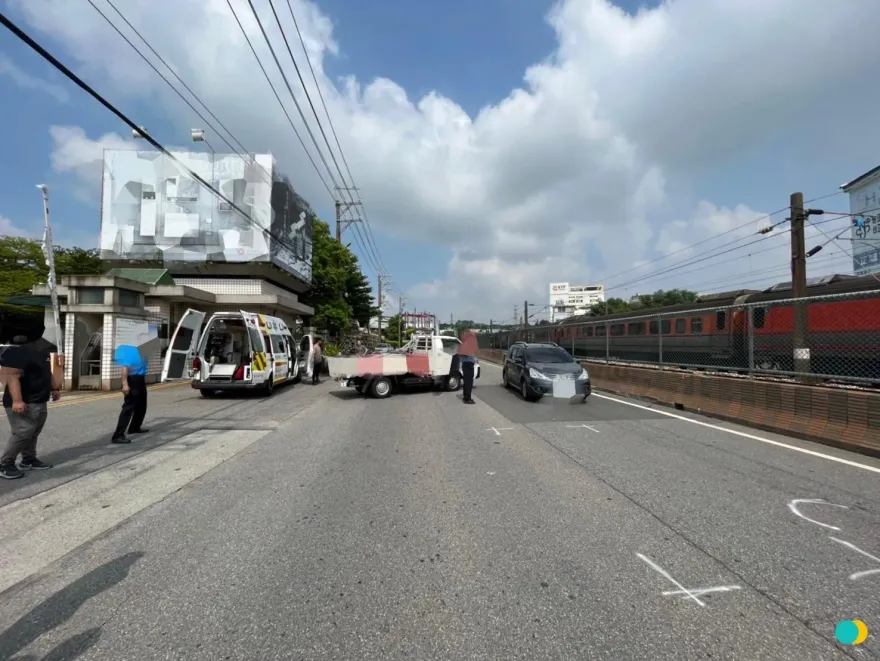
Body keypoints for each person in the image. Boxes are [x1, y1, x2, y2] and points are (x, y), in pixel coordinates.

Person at [0, 334, 61, 479]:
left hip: (40, 399)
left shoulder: (42, 350)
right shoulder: (16, 351)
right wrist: (17, 400)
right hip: (24, 401)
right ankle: (5, 464)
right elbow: (11, 376)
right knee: (23, 431)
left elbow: (47, 371)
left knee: (33, 432)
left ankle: (28, 460)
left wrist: (54, 388)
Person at [111, 341, 150, 444]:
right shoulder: (131, 352)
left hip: (140, 379)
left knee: (142, 405)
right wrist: (125, 384)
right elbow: (125, 369)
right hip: (133, 380)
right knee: (129, 407)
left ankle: (135, 427)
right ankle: (117, 435)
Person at [458, 329, 479, 405]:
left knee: (467, 382)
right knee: (468, 383)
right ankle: (467, 398)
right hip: (468, 364)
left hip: (466, 364)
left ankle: (466, 397)